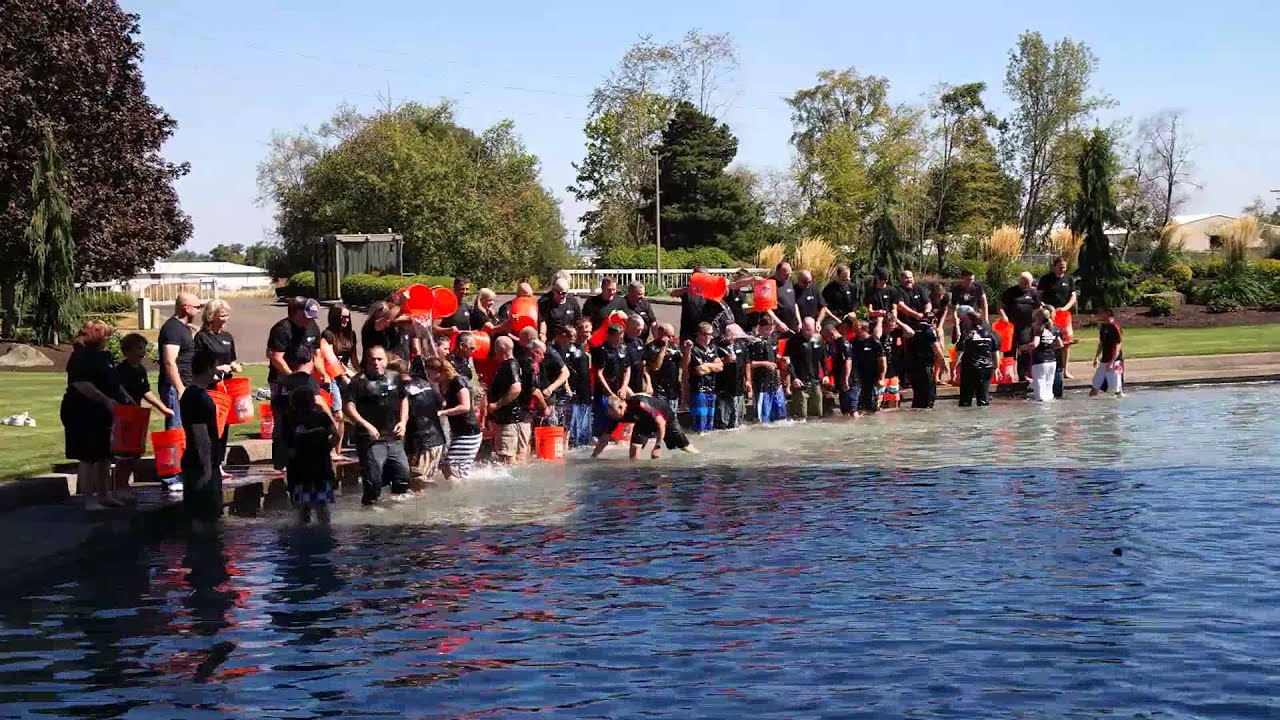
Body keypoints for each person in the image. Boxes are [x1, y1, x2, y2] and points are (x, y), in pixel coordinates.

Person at [62, 320, 126, 510]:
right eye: (105, 335)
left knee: (105, 454)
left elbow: (113, 381)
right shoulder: (81, 357)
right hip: (83, 410)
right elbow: (81, 384)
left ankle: (105, 494)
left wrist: (122, 398)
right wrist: (105, 400)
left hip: (104, 411)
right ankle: (89, 499)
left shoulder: (104, 356)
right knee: (88, 455)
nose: (108, 338)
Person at [111, 333, 174, 500]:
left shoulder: (140, 370)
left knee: (135, 452)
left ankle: (125, 486)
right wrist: (129, 402)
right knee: (123, 453)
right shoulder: (121, 370)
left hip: (136, 415)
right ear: (127, 351)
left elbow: (145, 391)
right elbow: (118, 390)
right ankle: (120, 487)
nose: (143, 352)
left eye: (143, 349)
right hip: (123, 415)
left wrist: (163, 408)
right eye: (139, 348)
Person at [344, 345, 410, 504]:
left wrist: (403, 421)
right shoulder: (358, 381)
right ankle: (369, 510)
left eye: (380, 359)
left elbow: (403, 399)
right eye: (372, 359)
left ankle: (398, 509)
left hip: (394, 437)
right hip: (371, 438)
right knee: (373, 480)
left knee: (403, 476)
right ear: (367, 361)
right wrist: (366, 425)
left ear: (386, 361)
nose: (376, 363)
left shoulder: (395, 377)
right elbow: (348, 407)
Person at [193, 299, 242, 474]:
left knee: (224, 425)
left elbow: (232, 358)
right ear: (210, 316)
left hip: (226, 385)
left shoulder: (227, 337)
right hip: (210, 386)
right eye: (221, 315)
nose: (225, 319)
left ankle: (219, 462)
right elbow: (197, 365)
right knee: (212, 425)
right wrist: (216, 369)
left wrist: (234, 365)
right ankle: (211, 464)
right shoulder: (201, 337)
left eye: (227, 315)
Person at [180, 348, 224, 524]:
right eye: (214, 366)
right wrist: (207, 468)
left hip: (193, 461)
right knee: (205, 517)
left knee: (196, 516)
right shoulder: (199, 398)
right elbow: (201, 435)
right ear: (208, 368)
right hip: (201, 465)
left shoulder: (189, 394)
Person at [285, 385, 337, 524]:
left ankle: (305, 529)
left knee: (304, 506)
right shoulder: (320, 416)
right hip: (317, 468)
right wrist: (327, 447)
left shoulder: (291, 420)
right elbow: (335, 434)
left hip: (302, 469)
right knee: (321, 506)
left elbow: (287, 446)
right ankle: (324, 529)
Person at [592, 394, 698, 460]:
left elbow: (661, 423)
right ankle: (637, 475)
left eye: (614, 414)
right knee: (634, 448)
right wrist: (593, 457)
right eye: (611, 415)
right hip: (642, 423)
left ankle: (698, 457)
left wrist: (657, 446)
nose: (614, 417)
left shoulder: (639, 405)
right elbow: (604, 439)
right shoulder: (615, 415)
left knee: (685, 447)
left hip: (665, 418)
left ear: (621, 407)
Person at [426, 357, 483, 480]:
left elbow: (465, 406)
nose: (428, 375)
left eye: (429, 372)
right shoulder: (441, 384)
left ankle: (462, 492)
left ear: (439, 371)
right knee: (451, 467)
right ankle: (460, 489)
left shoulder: (457, 381)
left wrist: (443, 412)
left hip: (469, 431)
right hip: (458, 430)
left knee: (450, 466)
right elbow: (449, 401)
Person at [396, 357, 446, 486]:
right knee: (423, 483)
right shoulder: (426, 384)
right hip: (437, 441)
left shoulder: (402, 390)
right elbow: (442, 403)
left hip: (422, 444)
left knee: (416, 485)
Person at [157, 293, 200, 435]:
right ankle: (173, 457)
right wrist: (180, 388)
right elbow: (169, 362)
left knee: (185, 427)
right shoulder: (172, 329)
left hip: (184, 383)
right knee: (176, 428)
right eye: (197, 307)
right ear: (187, 308)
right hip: (173, 387)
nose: (199, 310)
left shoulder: (183, 328)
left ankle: (182, 456)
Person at [488, 336, 530, 464]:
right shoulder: (517, 364)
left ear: (500, 349)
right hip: (516, 418)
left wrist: (497, 404)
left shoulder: (509, 365)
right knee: (519, 456)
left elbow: (516, 388)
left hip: (508, 420)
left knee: (507, 458)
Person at [321, 304, 357, 454]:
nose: (346, 320)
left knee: (350, 411)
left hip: (346, 373)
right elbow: (330, 359)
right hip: (332, 376)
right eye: (342, 317)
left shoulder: (351, 334)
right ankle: (332, 452)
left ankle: (338, 450)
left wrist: (361, 374)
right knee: (338, 414)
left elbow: (354, 358)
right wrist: (343, 375)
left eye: (348, 317)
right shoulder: (327, 335)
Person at [1039, 257, 1079, 378]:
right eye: (1060, 267)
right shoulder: (1046, 279)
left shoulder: (1069, 279)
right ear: (1054, 266)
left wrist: (1065, 308)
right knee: (1049, 341)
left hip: (1063, 314)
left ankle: (1065, 370)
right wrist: (1046, 308)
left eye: (1064, 267)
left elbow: (1073, 296)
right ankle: (1048, 369)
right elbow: (1038, 296)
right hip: (1049, 315)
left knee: (1066, 343)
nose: (1063, 269)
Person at [896, 313, 946, 409]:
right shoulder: (929, 329)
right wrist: (943, 362)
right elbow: (937, 348)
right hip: (925, 366)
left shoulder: (913, 327)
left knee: (917, 395)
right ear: (932, 321)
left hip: (912, 365)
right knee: (928, 396)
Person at [781, 317, 826, 420]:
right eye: (804, 329)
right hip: (800, 383)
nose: (806, 332)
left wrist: (826, 374)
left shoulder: (819, 339)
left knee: (816, 415)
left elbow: (823, 359)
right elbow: (788, 362)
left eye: (809, 330)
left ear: (815, 328)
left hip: (815, 382)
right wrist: (794, 378)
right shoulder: (793, 341)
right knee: (800, 418)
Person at [555, 325, 593, 447]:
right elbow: (565, 372)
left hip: (586, 392)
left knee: (584, 431)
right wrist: (568, 389)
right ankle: (571, 445)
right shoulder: (566, 351)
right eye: (584, 331)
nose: (587, 334)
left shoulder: (584, 348)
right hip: (574, 393)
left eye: (589, 331)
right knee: (573, 428)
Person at [590, 324, 631, 438]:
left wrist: (624, 387)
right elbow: (599, 373)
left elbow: (627, 369)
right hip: (604, 392)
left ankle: (615, 439)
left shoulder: (623, 348)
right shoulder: (602, 350)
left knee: (619, 418)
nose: (620, 338)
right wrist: (610, 393)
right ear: (610, 336)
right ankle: (597, 440)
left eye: (622, 336)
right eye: (618, 336)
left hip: (618, 390)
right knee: (602, 420)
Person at [954, 307, 998, 407]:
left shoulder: (967, 334)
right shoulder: (989, 334)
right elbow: (995, 351)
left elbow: (960, 352)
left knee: (966, 399)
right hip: (987, 368)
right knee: (983, 398)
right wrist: (996, 367)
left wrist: (954, 368)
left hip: (971, 368)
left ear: (970, 321)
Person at [1000, 272, 1041, 381]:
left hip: (1026, 326)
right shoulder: (1011, 292)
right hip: (1011, 326)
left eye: (1029, 283)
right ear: (1020, 281)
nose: (1027, 285)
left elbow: (1038, 308)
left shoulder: (1033, 293)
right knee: (1009, 350)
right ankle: (1008, 375)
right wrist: (1004, 316)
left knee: (1025, 349)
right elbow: (1000, 306)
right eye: (1025, 283)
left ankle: (1023, 374)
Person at [684, 323, 723, 432]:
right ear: (700, 334)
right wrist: (712, 366)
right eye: (707, 334)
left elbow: (720, 367)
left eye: (711, 335)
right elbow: (700, 371)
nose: (710, 337)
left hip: (711, 389)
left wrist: (707, 365)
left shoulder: (712, 349)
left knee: (709, 425)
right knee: (700, 425)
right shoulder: (694, 350)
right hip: (699, 390)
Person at [748, 313, 786, 423]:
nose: (768, 332)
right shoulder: (754, 343)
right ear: (759, 328)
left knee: (780, 415)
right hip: (761, 385)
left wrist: (781, 358)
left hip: (774, 382)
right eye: (766, 329)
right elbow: (750, 363)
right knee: (762, 418)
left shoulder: (772, 341)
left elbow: (774, 356)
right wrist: (765, 363)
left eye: (770, 329)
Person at [1021, 308, 1063, 402]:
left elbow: (1035, 344)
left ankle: (1041, 412)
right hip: (1052, 361)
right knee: (1049, 389)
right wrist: (1049, 347)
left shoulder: (1039, 328)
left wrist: (1022, 348)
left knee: (1039, 391)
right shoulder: (1054, 328)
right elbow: (1060, 344)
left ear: (1037, 317)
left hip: (1040, 361)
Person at [714, 324, 750, 429]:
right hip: (724, 387)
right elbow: (714, 364)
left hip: (738, 386)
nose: (732, 336)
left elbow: (747, 363)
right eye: (729, 334)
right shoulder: (718, 347)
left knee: (738, 420)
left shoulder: (742, 346)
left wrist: (748, 381)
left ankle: (736, 426)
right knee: (723, 419)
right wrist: (725, 360)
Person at [848, 318, 886, 414]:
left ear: (865, 329)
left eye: (857, 328)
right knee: (858, 404)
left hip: (872, 376)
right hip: (858, 376)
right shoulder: (853, 342)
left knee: (871, 404)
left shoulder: (874, 342)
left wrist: (881, 378)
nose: (854, 330)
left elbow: (882, 362)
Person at [643, 323, 682, 407]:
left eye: (673, 336)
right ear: (660, 333)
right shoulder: (651, 347)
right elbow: (656, 367)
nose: (671, 339)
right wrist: (663, 348)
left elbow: (682, 364)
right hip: (659, 390)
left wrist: (687, 351)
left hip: (673, 390)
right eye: (668, 336)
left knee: (672, 418)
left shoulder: (674, 347)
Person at [533, 338, 570, 425]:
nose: (542, 357)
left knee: (551, 427)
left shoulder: (550, 352)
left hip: (548, 398)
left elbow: (565, 372)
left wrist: (550, 389)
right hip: (534, 402)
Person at [1090, 308, 1125, 398]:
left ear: (1108, 313)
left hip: (1114, 361)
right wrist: (1096, 357)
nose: (1099, 314)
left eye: (1101, 313)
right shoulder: (1104, 327)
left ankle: (1116, 408)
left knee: (1116, 390)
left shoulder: (1115, 327)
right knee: (1095, 386)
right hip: (1104, 360)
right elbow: (1101, 343)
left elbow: (1118, 345)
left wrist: (1112, 361)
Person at [824, 323, 855, 416]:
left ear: (832, 334)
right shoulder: (834, 344)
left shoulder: (844, 343)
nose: (826, 340)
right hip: (840, 381)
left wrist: (846, 380)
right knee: (845, 411)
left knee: (852, 410)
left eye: (826, 337)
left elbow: (848, 362)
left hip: (849, 381)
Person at [538, 277, 582, 342]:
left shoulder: (572, 301)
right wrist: (542, 334)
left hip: (569, 339)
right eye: (559, 293)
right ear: (553, 290)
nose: (561, 296)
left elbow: (578, 319)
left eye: (564, 293)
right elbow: (542, 320)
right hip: (551, 340)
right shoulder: (545, 302)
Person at [622, 314, 649, 396]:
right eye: (637, 329)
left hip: (638, 382)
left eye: (641, 330)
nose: (640, 332)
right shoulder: (621, 342)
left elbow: (643, 364)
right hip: (625, 384)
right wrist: (624, 386)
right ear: (629, 326)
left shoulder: (639, 342)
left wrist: (648, 383)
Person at [771, 261, 801, 332]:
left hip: (793, 326)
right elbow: (767, 309)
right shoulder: (770, 284)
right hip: (779, 327)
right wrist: (779, 323)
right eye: (785, 274)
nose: (788, 277)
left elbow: (794, 303)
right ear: (777, 272)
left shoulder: (789, 283)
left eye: (789, 274)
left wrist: (799, 321)